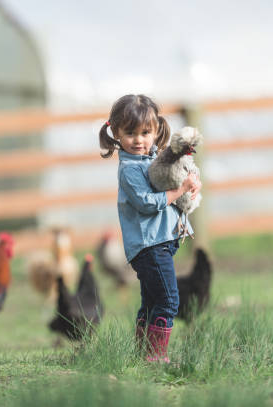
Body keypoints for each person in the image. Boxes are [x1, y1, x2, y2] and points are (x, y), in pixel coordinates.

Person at [99, 94, 201, 362]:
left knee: (152, 301)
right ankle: (155, 356)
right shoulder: (130, 169)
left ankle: (143, 353)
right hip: (149, 245)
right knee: (169, 301)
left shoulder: (155, 159)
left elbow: (180, 169)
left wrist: (192, 182)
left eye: (145, 132)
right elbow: (147, 203)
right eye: (130, 133)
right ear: (117, 133)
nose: (138, 140)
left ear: (156, 131)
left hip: (160, 243)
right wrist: (178, 190)